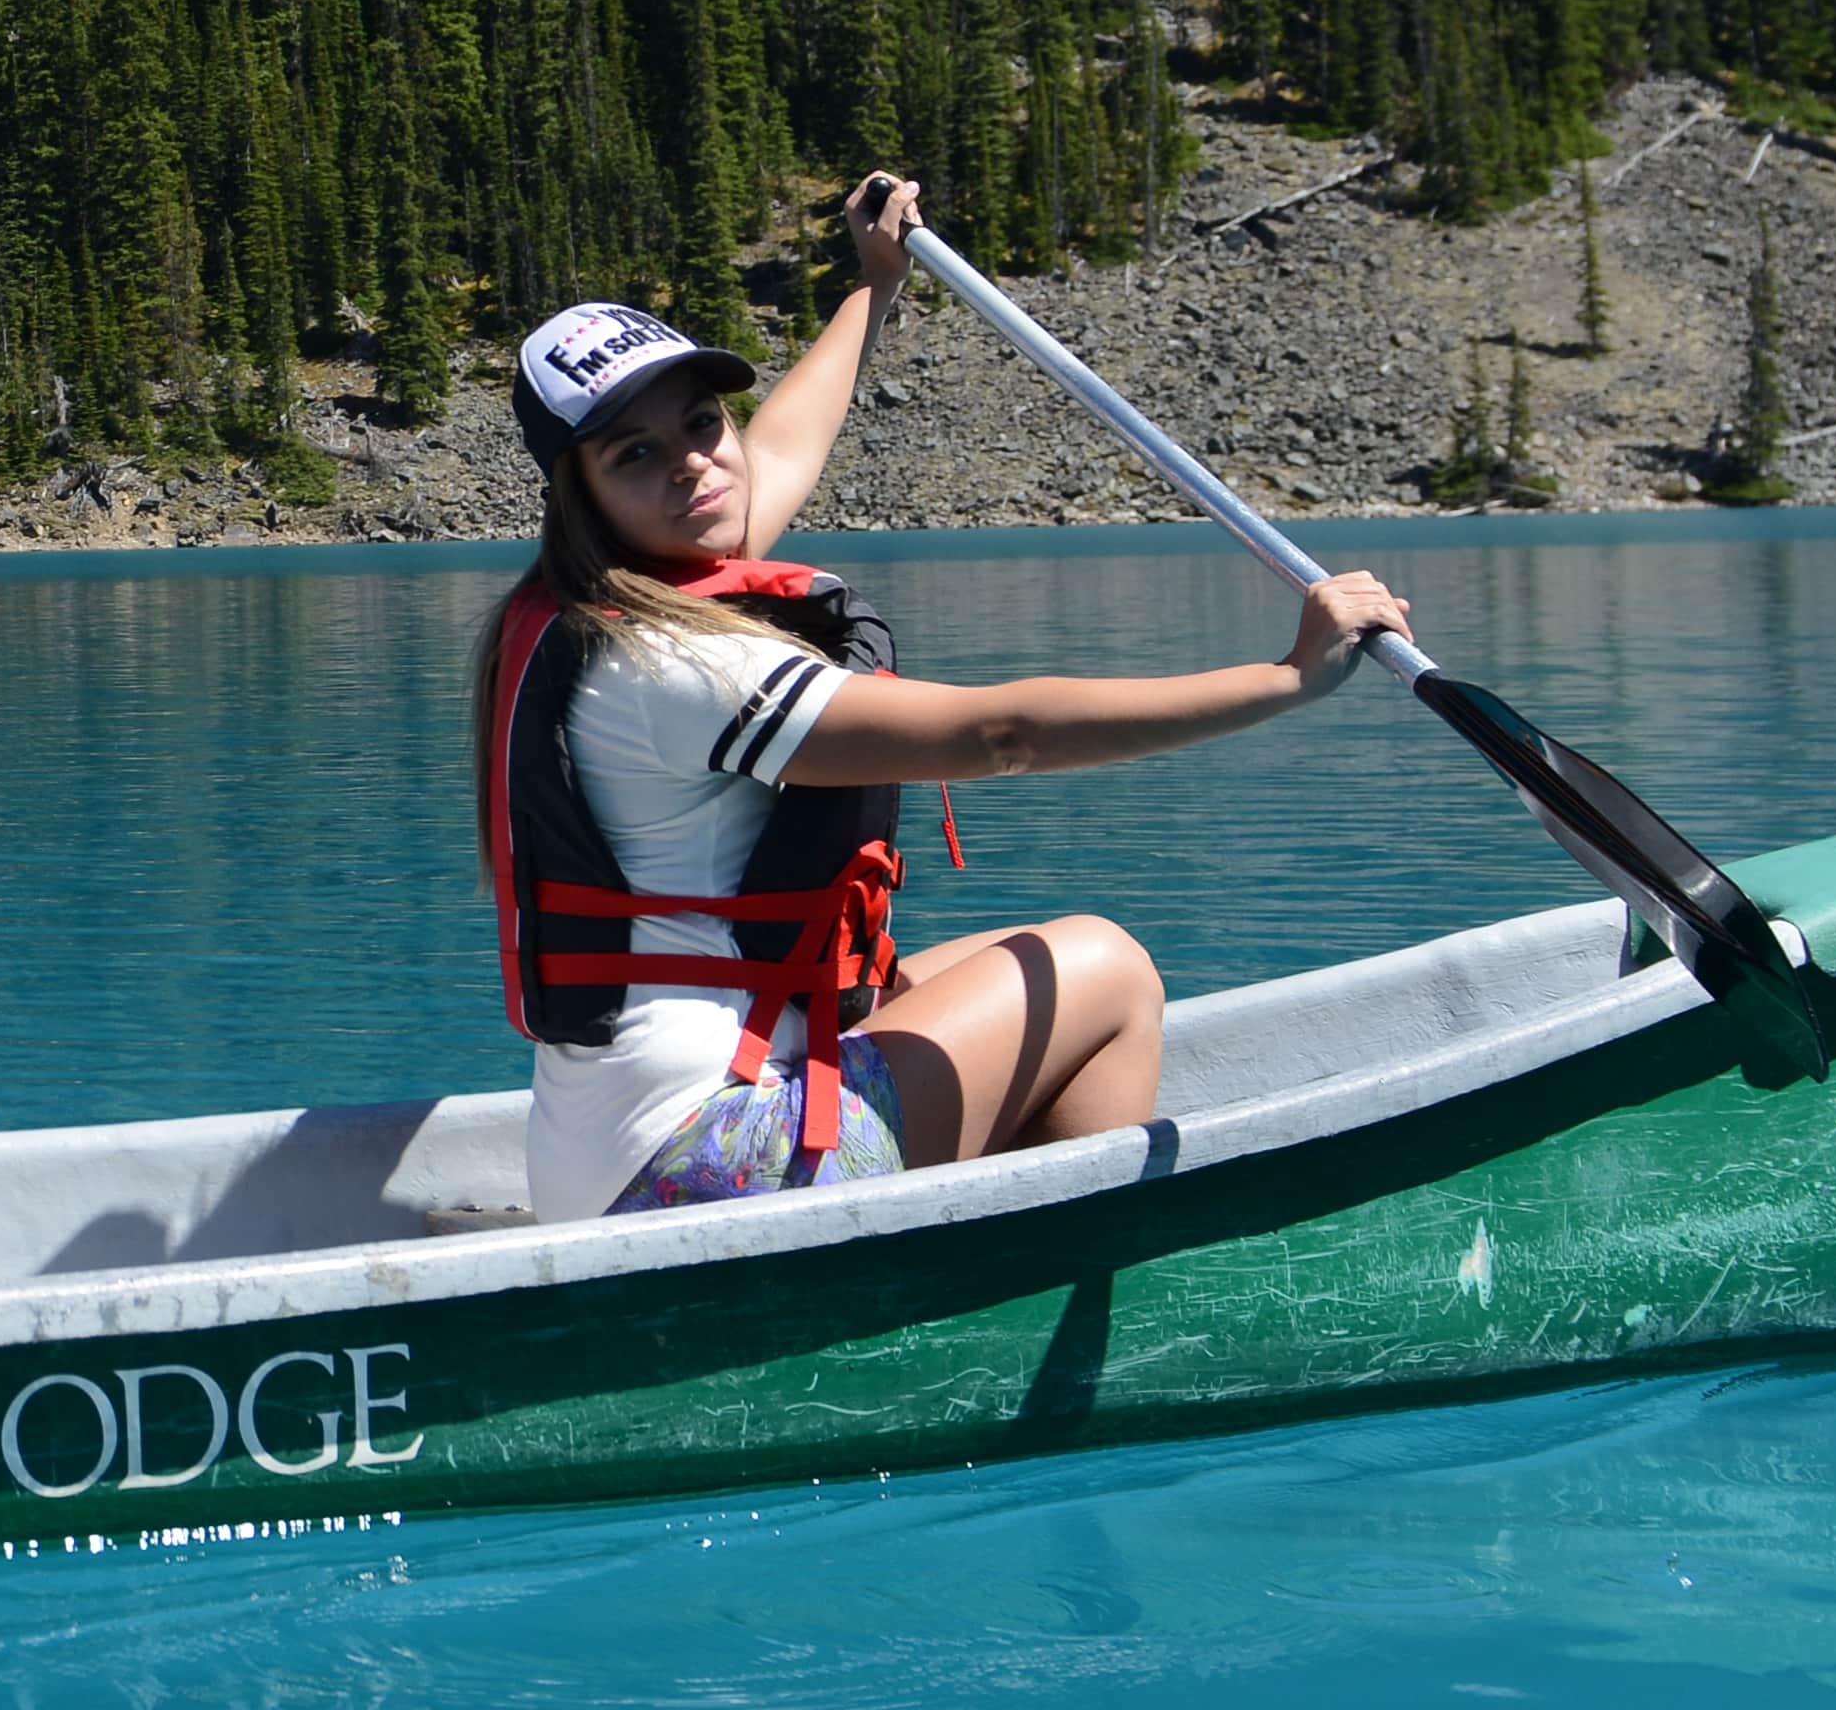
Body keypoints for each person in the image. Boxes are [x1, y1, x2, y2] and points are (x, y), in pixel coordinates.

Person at [482, 173, 1408, 1217]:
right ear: (580, 490)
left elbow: (780, 445)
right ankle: (1054, 1266)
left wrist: (870, 287)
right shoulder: (674, 664)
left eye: (702, 422)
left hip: (602, 1157)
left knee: (982, 964)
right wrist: (1285, 677)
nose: (696, 465)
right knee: (1102, 968)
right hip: (701, 1164)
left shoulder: (587, 602)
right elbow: (1000, 735)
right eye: (636, 452)